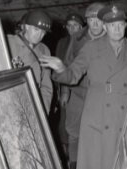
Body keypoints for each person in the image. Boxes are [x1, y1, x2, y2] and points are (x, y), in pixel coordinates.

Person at [40, 3, 127, 169]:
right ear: (105, 26)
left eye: (120, 25)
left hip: (123, 116)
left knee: (120, 161)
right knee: (95, 161)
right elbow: (72, 76)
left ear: (125, 26)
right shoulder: (91, 48)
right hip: (97, 114)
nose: (116, 29)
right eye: (111, 25)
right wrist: (61, 68)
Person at [56, 3, 106, 169]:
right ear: (87, 21)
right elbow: (67, 64)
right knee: (73, 132)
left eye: (99, 19)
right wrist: (64, 91)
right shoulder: (77, 38)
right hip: (77, 93)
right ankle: (74, 164)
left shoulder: (113, 37)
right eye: (92, 19)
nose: (96, 23)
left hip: (100, 95)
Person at [7, 10, 53, 114]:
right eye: (36, 29)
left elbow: (46, 85)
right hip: (10, 100)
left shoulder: (44, 50)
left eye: (43, 32)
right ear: (26, 26)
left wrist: (43, 111)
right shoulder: (9, 42)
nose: (39, 35)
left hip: (33, 103)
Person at [54, 12, 84, 168]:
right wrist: (61, 92)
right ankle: (68, 159)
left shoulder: (84, 42)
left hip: (79, 90)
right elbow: (60, 68)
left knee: (77, 128)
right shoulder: (62, 43)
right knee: (64, 125)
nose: (72, 29)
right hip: (65, 88)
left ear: (81, 27)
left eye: (76, 26)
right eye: (69, 26)